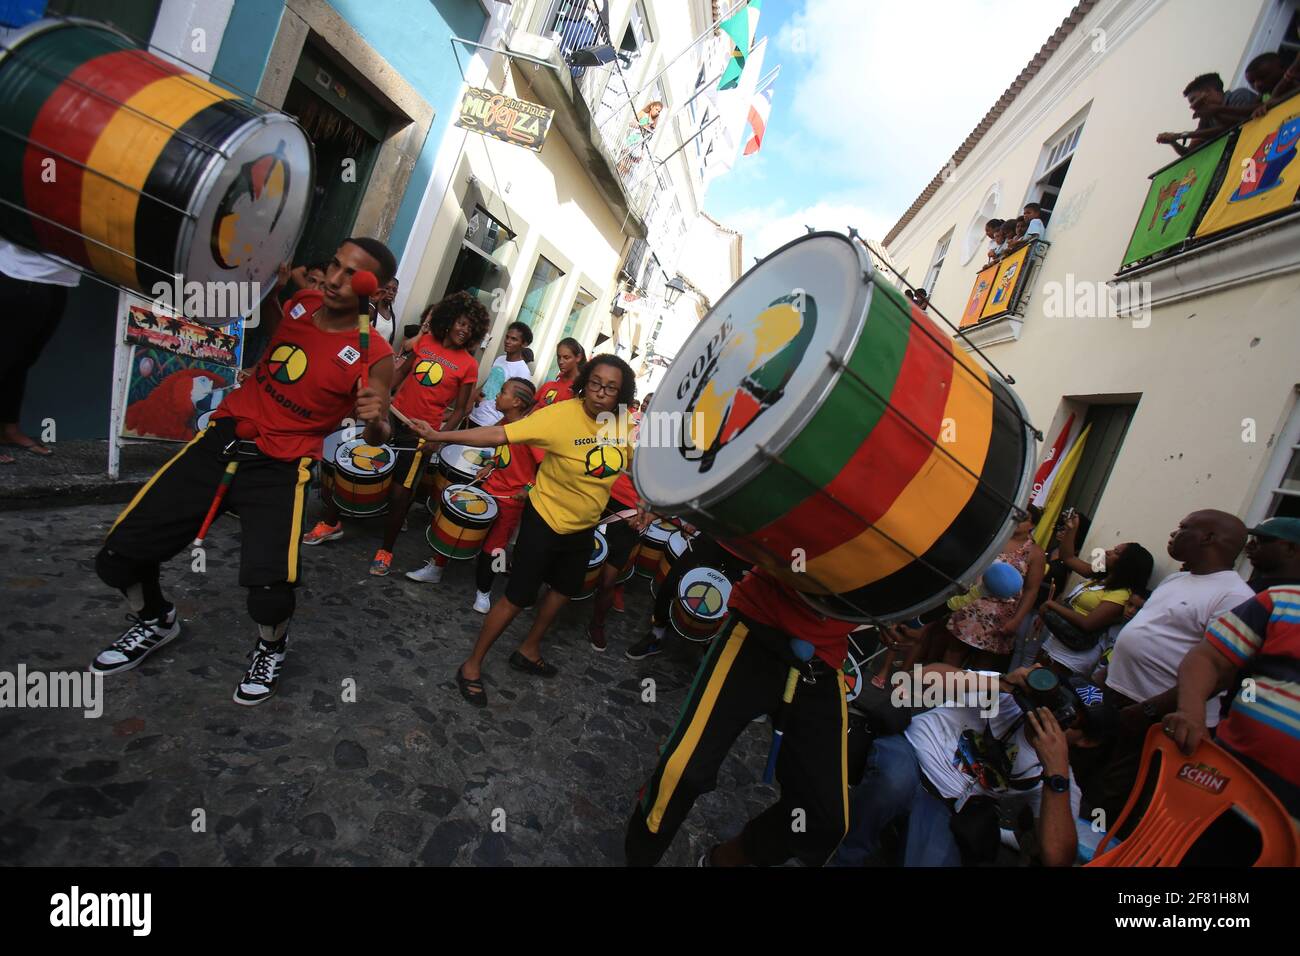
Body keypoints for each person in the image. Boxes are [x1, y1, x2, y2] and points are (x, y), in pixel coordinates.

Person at [88, 238, 397, 705]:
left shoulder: (375, 353)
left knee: (271, 591)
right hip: (222, 439)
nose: (335, 279)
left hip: (282, 465)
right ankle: (155, 620)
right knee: (117, 558)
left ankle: (271, 647)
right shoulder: (303, 302)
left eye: (352, 274)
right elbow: (283, 335)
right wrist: (272, 296)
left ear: (373, 289)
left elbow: (378, 436)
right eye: (334, 264)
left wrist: (376, 420)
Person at [409, 355, 641, 707]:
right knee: (519, 596)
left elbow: (643, 464)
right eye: (595, 383)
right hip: (544, 521)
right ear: (585, 383)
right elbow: (499, 434)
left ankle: (528, 649)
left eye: (610, 388)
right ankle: (471, 666)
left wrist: (650, 506)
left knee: (564, 590)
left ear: (622, 395)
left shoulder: (624, 424)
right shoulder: (559, 416)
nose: (600, 393)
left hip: (582, 527)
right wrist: (440, 435)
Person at [625, 568, 858, 867]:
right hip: (757, 629)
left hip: (822, 660)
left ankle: (722, 861)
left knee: (824, 819)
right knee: (680, 773)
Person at [834, 665, 1104, 867]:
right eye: (1060, 702)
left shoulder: (1056, 776)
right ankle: (842, 858)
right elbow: (921, 677)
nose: (1052, 716)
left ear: (1086, 741)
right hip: (911, 754)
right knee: (893, 783)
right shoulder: (1006, 696)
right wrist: (1002, 683)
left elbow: (1058, 858)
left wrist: (1055, 774)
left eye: (1069, 719)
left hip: (943, 804)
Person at [302, 291, 487, 577]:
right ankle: (331, 522)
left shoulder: (468, 365)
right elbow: (399, 374)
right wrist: (381, 399)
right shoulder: (425, 342)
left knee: (402, 494)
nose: (464, 329)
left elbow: (461, 409)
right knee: (355, 467)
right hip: (392, 418)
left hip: (420, 434)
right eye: (461, 322)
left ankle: (386, 550)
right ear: (450, 321)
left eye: (470, 327)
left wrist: (438, 439)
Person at [1091, 509, 1254, 819]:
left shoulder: (1234, 596)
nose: (1173, 533)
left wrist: (1149, 710)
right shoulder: (1179, 578)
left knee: (1120, 796)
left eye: (1183, 527)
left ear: (1208, 538)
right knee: (1091, 774)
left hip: (1157, 715)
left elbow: (1218, 673)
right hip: (1118, 696)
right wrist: (1107, 671)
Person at [1164, 516, 1300, 818]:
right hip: (1228, 778)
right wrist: (1192, 713)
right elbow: (1208, 658)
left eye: (1263, 541)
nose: (1251, 547)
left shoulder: (1237, 591)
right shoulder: (1281, 601)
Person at [405, 377, 541, 609]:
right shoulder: (503, 421)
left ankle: (485, 591)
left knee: (496, 548)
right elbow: (504, 454)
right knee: (456, 523)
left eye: (503, 392)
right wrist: (491, 465)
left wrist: (527, 488)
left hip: (511, 501)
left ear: (517, 402)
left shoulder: (529, 432)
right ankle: (436, 568)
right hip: (489, 488)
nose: (497, 395)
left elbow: (543, 468)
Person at [1038, 516, 1154, 677]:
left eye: (1116, 553)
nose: (1107, 552)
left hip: (1072, 654)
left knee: (1038, 687)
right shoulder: (1098, 575)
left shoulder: (1121, 594)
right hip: (1058, 638)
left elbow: (1088, 623)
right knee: (1028, 680)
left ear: (1126, 564)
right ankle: (990, 700)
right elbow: (1068, 557)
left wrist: (1052, 605)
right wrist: (1072, 529)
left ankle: (989, 700)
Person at [0, 238, 81, 461]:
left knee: (23, 358)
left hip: (59, 276)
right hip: (20, 272)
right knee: (5, 356)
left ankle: (9, 428)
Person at [625, 531, 752, 661]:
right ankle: (657, 635)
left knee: (729, 604)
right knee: (672, 583)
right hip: (717, 534)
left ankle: (709, 645)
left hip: (749, 554)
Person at [1157, 72, 1260, 155]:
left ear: (1208, 92)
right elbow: (1190, 151)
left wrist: (1181, 135)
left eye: (1193, 100)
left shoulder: (1238, 95)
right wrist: (1173, 142)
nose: (1192, 106)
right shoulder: (1206, 118)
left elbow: (1238, 124)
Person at [467, 321, 533, 427]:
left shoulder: (523, 371)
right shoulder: (500, 359)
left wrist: (497, 428)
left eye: (513, 339)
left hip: (489, 423)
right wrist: (470, 401)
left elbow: (516, 407)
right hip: (474, 414)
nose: (507, 341)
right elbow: (488, 382)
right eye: (507, 337)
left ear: (524, 344)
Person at [537, 337, 585, 406]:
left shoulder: (581, 388)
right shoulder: (548, 385)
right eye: (559, 357)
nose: (561, 362)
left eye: (566, 357)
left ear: (578, 357)